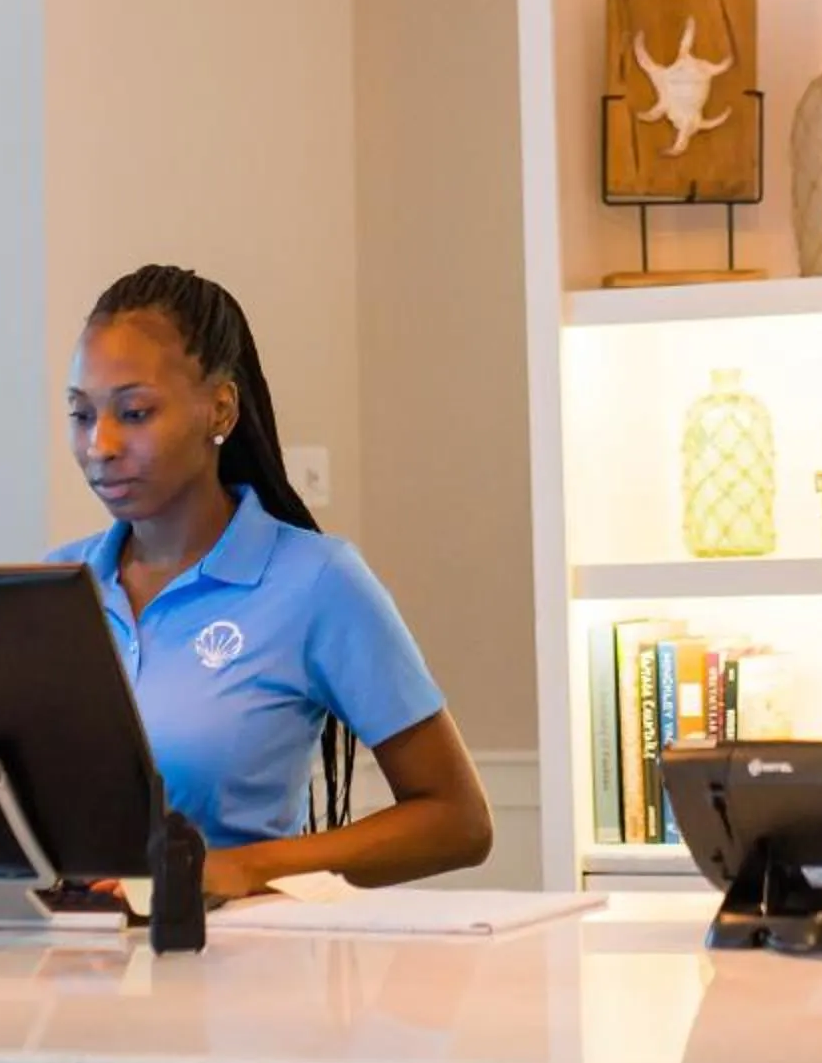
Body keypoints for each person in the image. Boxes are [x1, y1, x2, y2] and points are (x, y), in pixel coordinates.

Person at [51, 263, 492, 897]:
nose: (101, 444)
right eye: (81, 415)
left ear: (220, 407)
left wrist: (249, 867)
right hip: (59, 976)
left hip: (238, 970)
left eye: (136, 412)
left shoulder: (316, 581)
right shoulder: (55, 586)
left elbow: (459, 822)